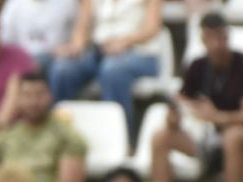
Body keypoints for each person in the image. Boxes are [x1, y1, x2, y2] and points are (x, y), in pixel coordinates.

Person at [148, 11, 243, 182]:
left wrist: (218, 116)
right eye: (210, 38)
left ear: (227, 36)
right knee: (161, 137)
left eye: (220, 37)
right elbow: (183, 101)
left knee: (233, 137)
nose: (217, 44)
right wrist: (175, 118)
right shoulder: (198, 66)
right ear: (203, 39)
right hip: (205, 138)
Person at [47, 0, 163, 134]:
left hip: (140, 53)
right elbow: (83, 25)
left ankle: (121, 137)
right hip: (99, 51)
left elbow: (152, 28)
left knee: (112, 70)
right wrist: (76, 46)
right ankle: (61, 134)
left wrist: (123, 42)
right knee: (63, 69)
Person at [0, 71, 87, 182]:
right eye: (27, 95)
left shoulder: (68, 136)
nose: (33, 102)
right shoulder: (6, 136)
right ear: (18, 98)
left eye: (39, 94)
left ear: (50, 95)